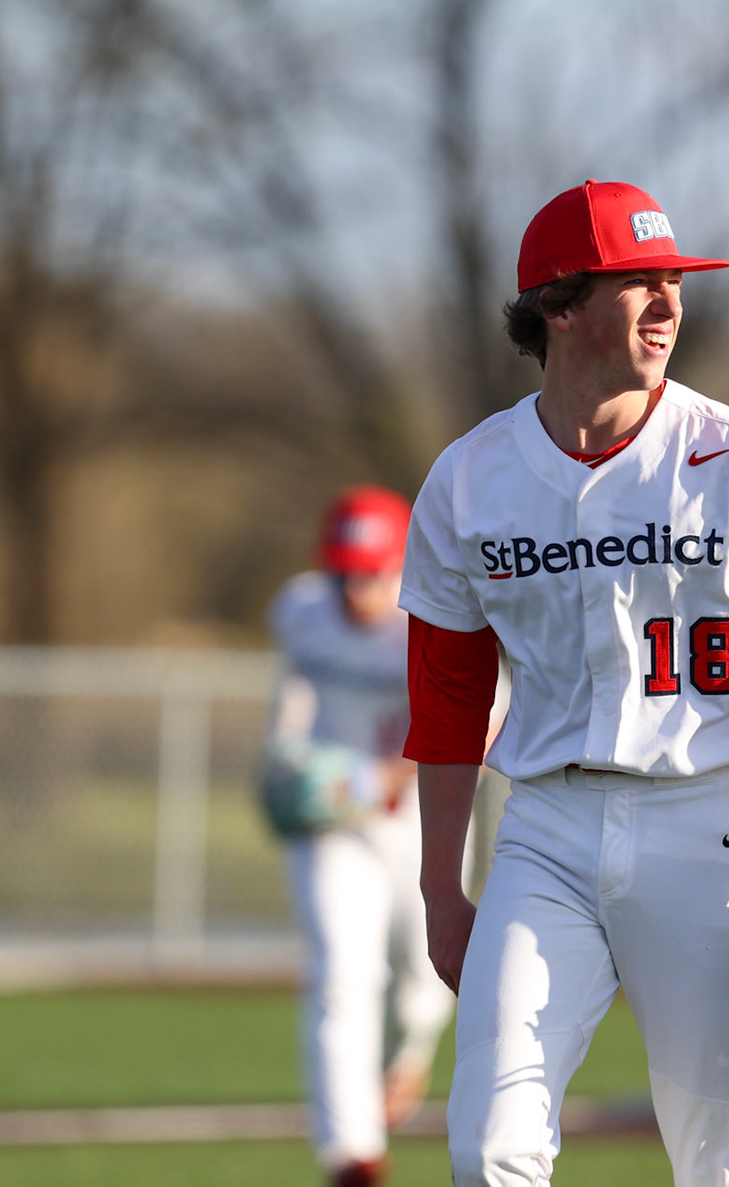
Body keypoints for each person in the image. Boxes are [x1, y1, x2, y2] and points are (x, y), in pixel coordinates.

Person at [400, 180, 729, 1186]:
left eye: (674, 282)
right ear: (560, 307)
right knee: (489, 1142)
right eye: (641, 282)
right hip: (546, 829)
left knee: (721, 1157)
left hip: (713, 826)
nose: (670, 304)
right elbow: (444, 704)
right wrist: (442, 885)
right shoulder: (470, 477)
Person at [265, 485, 457, 1187]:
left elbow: (477, 725)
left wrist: (381, 780)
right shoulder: (299, 611)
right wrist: (285, 755)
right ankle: (352, 1156)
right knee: (340, 976)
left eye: (370, 569)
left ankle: (409, 1054)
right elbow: (292, 694)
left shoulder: (432, 619)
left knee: (425, 974)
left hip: (418, 815)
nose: (356, 585)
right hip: (331, 826)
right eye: (344, 569)